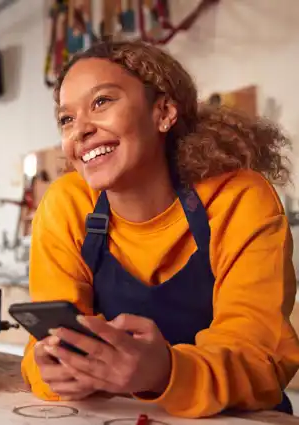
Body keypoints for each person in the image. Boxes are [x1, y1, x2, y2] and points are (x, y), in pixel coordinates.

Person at [20, 40, 299, 418]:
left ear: (164, 112)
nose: (80, 130)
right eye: (67, 119)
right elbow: (45, 343)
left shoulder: (237, 197)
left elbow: (261, 356)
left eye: (102, 102)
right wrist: (50, 368)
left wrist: (165, 372)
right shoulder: (66, 204)